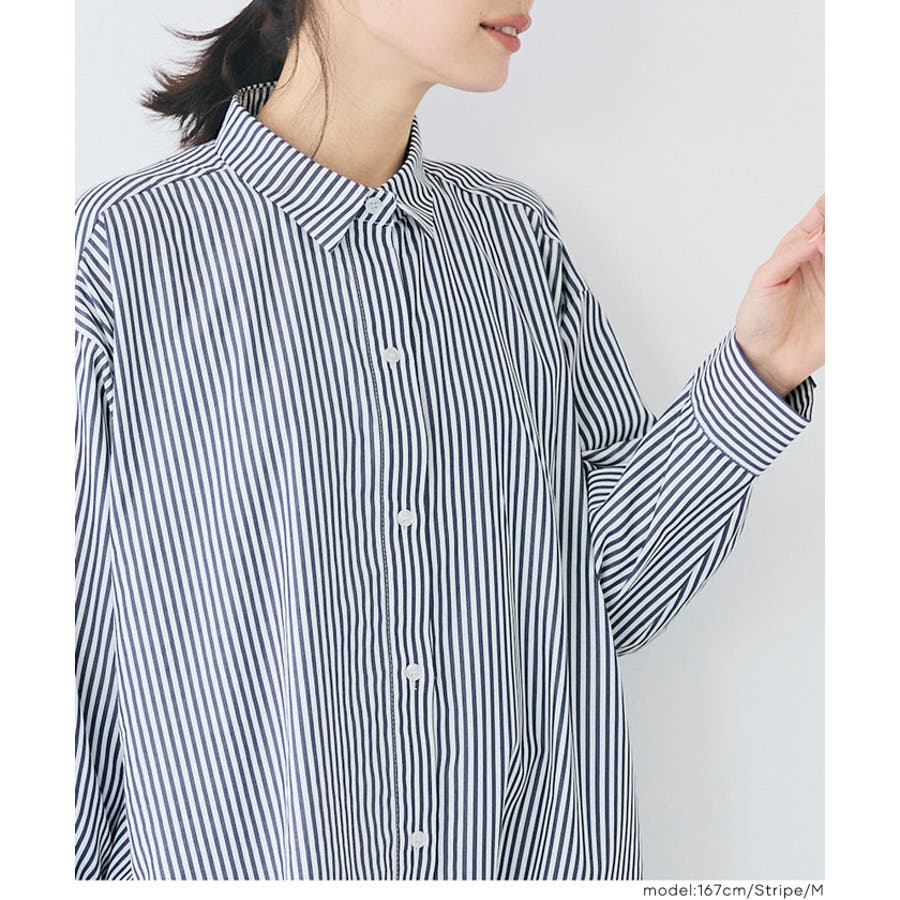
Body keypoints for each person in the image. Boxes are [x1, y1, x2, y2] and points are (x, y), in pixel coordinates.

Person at [74, 0, 824, 881]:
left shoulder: (515, 244)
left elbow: (603, 601)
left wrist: (762, 369)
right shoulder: (120, 255)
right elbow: (72, 668)